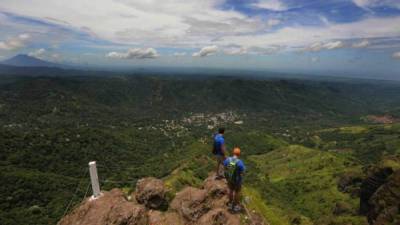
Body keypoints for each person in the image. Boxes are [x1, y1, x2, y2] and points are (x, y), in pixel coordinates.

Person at [224, 147, 246, 212]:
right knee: (237, 192)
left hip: (230, 179)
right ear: (239, 154)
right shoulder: (240, 162)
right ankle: (235, 205)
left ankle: (230, 203)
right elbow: (243, 172)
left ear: (233, 153)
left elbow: (225, 167)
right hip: (237, 180)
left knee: (230, 190)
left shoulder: (228, 159)